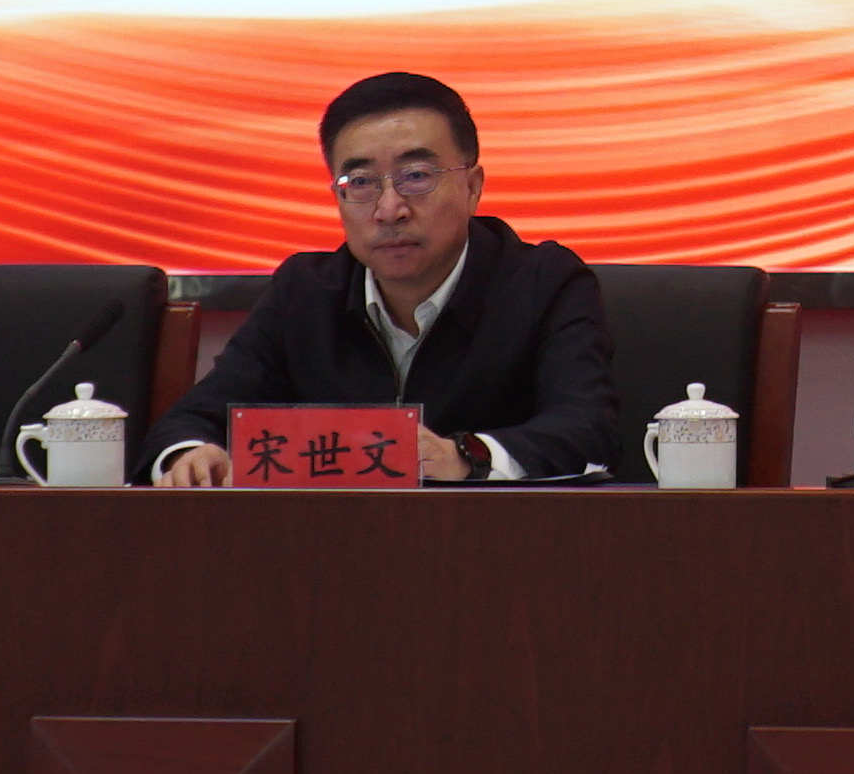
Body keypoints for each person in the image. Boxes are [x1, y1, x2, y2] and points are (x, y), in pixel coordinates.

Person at [151, 71, 619, 484]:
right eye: (361, 183)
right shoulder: (305, 291)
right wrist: (190, 456)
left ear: (472, 187)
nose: (389, 209)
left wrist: (465, 456)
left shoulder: (543, 283)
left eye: (416, 176)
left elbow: (588, 429)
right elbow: (191, 421)